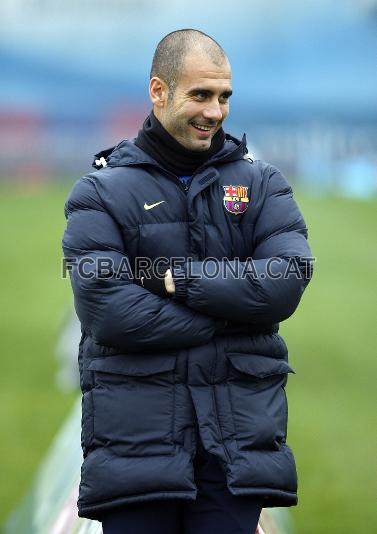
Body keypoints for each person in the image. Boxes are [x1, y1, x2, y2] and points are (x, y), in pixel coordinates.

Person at [62, 29, 312, 534]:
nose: (215, 112)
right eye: (200, 94)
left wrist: (175, 277)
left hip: (236, 452)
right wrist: (234, 316)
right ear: (159, 91)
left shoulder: (263, 184)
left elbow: (287, 279)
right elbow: (107, 309)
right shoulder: (98, 192)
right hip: (134, 446)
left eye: (224, 97)